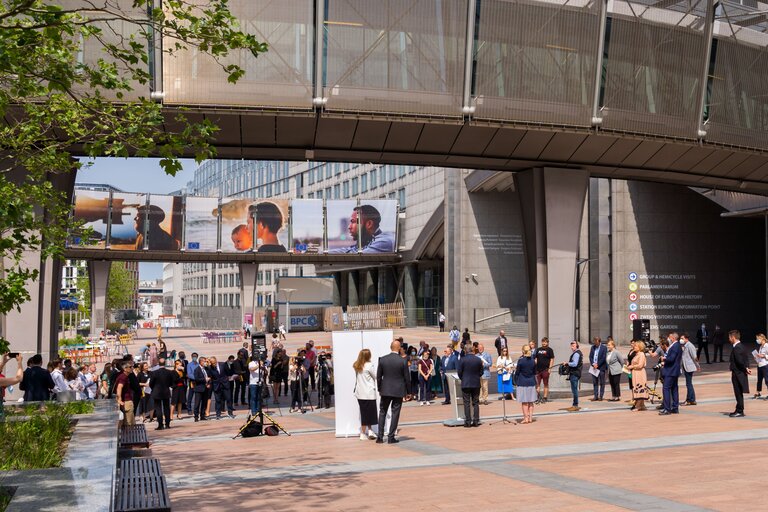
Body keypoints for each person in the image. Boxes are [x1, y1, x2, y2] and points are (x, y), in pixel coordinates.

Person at [376, 340, 410, 443]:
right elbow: (407, 378)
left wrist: (380, 388)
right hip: (398, 390)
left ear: (390, 347)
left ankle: (380, 437)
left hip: (385, 390)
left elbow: (378, 377)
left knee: (382, 412)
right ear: (399, 348)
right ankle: (391, 437)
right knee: (395, 413)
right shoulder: (402, 361)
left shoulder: (383, 360)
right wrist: (409, 392)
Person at [328, 204, 395, 253]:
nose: (349, 226)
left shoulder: (384, 242)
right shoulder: (367, 240)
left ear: (369, 224)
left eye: (353, 222)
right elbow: (349, 250)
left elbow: (357, 256)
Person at [353, 349, 378, 440]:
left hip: (360, 393)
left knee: (365, 412)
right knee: (369, 413)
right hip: (369, 392)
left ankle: (370, 430)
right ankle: (363, 432)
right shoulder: (369, 365)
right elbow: (375, 376)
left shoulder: (356, 365)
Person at [457, 345, 483, 428]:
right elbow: (481, 372)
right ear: (472, 350)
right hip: (475, 383)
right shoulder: (478, 360)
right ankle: (476, 420)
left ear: (465, 351)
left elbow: (459, 372)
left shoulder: (462, 360)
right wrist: (476, 377)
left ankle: (468, 421)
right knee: (476, 402)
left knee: (467, 403)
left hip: (466, 383)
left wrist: (463, 378)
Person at [149, 357, 176, 430]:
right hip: (166, 392)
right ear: (165, 363)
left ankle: (160, 425)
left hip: (156, 392)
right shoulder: (169, 372)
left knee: (158, 409)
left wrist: (153, 389)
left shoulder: (154, 373)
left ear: (158, 363)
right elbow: (172, 383)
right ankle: (167, 424)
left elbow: (151, 383)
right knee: (166, 408)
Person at [728, 329, 751, 417]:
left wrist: (745, 368)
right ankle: (738, 409)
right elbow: (746, 358)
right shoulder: (742, 346)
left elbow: (739, 361)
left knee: (738, 392)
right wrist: (747, 367)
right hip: (741, 373)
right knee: (739, 392)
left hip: (738, 373)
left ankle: (740, 410)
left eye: (729, 337)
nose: (729, 339)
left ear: (733, 337)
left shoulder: (737, 347)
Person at [659, 332, 682, 415]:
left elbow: (671, 359)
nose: (668, 339)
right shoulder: (676, 345)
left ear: (673, 338)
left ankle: (667, 408)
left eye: (669, 338)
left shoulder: (675, 346)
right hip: (673, 371)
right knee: (674, 389)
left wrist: (664, 359)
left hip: (671, 371)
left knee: (666, 388)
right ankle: (675, 407)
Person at [515, 345, 536, 424]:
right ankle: (530, 418)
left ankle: (526, 418)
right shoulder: (533, 360)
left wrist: (516, 380)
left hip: (522, 382)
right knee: (531, 401)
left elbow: (517, 372)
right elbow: (534, 372)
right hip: (531, 381)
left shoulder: (521, 360)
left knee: (524, 402)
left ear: (523, 351)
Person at [627, 341, 649, 411]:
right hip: (635, 373)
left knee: (640, 388)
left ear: (640, 347)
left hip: (639, 373)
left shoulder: (641, 354)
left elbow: (640, 365)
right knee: (636, 387)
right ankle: (642, 405)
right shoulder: (637, 354)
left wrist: (632, 366)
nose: (634, 347)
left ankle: (639, 405)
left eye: (636, 346)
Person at [680, 334, 700, 406]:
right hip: (686, 367)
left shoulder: (690, 346)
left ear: (686, 339)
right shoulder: (684, 346)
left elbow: (695, 357)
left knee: (688, 384)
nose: (681, 339)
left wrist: (698, 365)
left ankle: (690, 400)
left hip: (689, 367)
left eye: (682, 338)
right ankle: (691, 400)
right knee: (689, 384)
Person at [534, 337, 555, 404]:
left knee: (545, 384)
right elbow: (536, 358)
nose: (544, 343)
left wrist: (550, 368)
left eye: (545, 342)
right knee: (537, 384)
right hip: (538, 370)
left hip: (546, 370)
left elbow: (552, 359)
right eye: (543, 342)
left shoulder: (550, 350)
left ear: (547, 343)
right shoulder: (538, 349)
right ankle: (537, 397)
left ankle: (545, 397)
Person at [564, 341, 583, 412]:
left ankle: (575, 405)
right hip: (575, 373)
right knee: (574, 389)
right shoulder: (577, 353)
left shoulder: (576, 354)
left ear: (577, 346)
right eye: (571, 346)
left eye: (573, 345)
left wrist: (567, 363)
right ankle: (575, 404)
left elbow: (575, 364)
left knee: (574, 390)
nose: (572, 347)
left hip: (575, 374)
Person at [115, 362, 135, 427]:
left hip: (127, 401)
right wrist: (119, 400)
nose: (132, 368)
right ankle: (129, 436)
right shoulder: (123, 377)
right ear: (125, 369)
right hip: (126, 402)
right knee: (128, 423)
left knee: (131, 422)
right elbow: (119, 387)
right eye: (130, 367)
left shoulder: (124, 376)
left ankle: (131, 435)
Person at [589, 337, 608, 401]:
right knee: (595, 382)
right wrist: (593, 364)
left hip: (601, 367)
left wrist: (597, 364)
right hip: (594, 367)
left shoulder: (604, 348)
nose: (595, 344)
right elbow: (590, 356)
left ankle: (601, 396)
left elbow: (603, 357)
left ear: (599, 342)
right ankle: (595, 396)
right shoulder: (593, 347)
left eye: (596, 343)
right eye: (594, 343)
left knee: (602, 382)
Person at [192, 356, 211, 421]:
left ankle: (202, 416)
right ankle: (196, 416)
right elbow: (196, 379)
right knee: (197, 403)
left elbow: (209, 376)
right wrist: (204, 379)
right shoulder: (197, 369)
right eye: (204, 361)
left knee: (204, 403)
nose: (205, 362)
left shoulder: (206, 369)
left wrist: (208, 383)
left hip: (205, 388)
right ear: (201, 362)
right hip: (199, 389)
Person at [754, 334, 768, 399]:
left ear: (762, 338)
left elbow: (765, 356)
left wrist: (764, 356)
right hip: (759, 364)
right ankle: (758, 392)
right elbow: (760, 355)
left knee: (767, 380)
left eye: (758, 339)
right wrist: (757, 357)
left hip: (765, 365)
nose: (757, 340)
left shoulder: (766, 345)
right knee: (759, 380)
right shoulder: (761, 346)